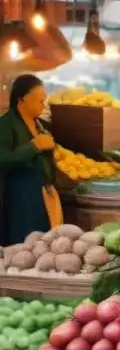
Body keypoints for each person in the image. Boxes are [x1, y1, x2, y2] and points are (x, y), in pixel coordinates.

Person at [0, 75, 62, 245]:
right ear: (22, 99)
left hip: (43, 196)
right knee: (24, 247)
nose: (43, 106)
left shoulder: (40, 124)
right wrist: (33, 146)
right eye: (39, 101)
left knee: (45, 246)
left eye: (44, 101)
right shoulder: (5, 125)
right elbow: (2, 161)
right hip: (20, 198)